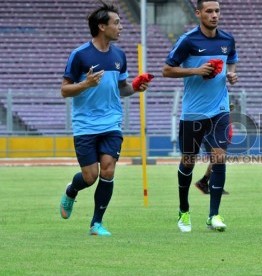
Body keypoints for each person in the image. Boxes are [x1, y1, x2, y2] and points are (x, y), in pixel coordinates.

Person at [59, 0, 152, 236]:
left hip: (111, 123)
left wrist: (137, 87)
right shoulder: (79, 55)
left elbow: (122, 88)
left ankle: (96, 223)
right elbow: (64, 90)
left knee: (108, 170)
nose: (121, 27)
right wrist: (86, 83)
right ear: (102, 26)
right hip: (85, 124)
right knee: (90, 177)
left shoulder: (119, 55)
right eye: (117, 23)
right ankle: (72, 190)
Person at [162, 0, 238, 233]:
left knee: (219, 156)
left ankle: (213, 215)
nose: (214, 15)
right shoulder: (188, 41)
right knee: (188, 161)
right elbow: (167, 69)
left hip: (220, 110)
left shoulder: (227, 39)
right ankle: (184, 210)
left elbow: (231, 62)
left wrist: (232, 75)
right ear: (198, 13)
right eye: (209, 11)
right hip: (193, 112)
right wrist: (196, 70)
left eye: (217, 11)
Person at [194, 103, 235, 195]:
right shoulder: (213, 110)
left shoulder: (222, 112)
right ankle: (211, 184)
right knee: (218, 160)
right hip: (212, 136)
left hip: (217, 136)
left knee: (217, 160)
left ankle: (206, 183)